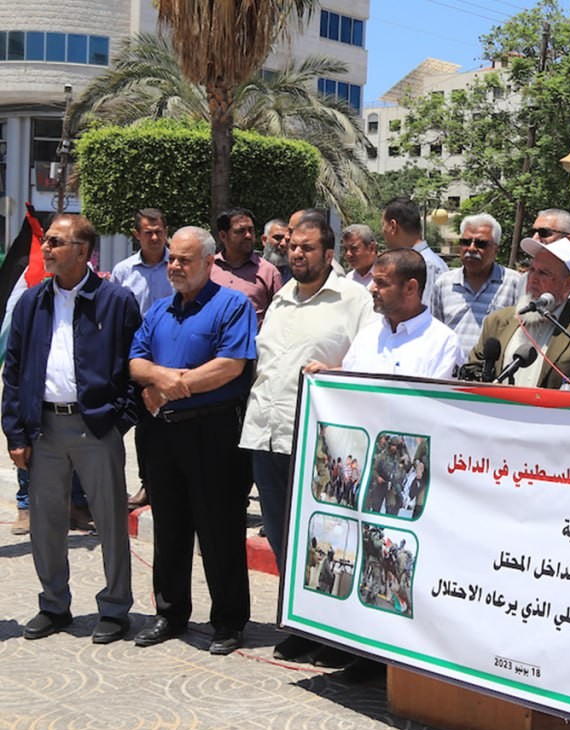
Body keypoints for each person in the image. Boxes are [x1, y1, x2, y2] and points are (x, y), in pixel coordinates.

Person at [240, 213, 375, 663]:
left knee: (328, 539)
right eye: (293, 246)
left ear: (329, 254)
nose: (296, 253)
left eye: (307, 247)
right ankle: (301, 623)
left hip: (323, 444)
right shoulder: (281, 298)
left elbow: (369, 363)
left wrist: (337, 374)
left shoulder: (354, 300)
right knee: (283, 537)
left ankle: (335, 633)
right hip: (268, 434)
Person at [2, 214, 141, 644]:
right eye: (46, 241)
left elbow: (135, 366)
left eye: (55, 242)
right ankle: (54, 604)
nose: (46, 248)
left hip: (96, 428)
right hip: (43, 428)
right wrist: (15, 432)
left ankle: (115, 608)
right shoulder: (32, 302)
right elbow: (14, 371)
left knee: (110, 521)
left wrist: (118, 421)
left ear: (82, 251)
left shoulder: (116, 301)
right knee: (45, 523)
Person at [130, 226, 257, 656]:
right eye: (172, 259)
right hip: (163, 433)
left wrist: (168, 387)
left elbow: (231, 365)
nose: (175, 266)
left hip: (213, 431)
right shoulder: (160, 310)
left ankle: (229, 621)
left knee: (219, 528)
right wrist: (160, 378)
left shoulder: (232, 305)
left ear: (208, 262)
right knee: (169, 527)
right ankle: (170, 613)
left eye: (184, 260)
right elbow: (136, 362)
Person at [464, 237, 570, 391]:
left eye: (544, 273)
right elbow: (473, 371)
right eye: (532, 270)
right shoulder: (497, 321)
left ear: (568, 284)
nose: (533, 279)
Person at [109, 207, 171, 512]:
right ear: (137, 235)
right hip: (136, 360)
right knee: (143, 425)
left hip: (173, 359)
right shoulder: (123, 271)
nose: (155, 237)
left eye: (159, 231)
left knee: (171, 426)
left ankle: (169, 483)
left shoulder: (178, 265)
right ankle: (147, 482)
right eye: (148, 232)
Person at [341, 248, 463, 378]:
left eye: (381, 282)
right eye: (374, 281)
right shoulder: (366, 336)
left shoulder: (444, 343)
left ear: (410, 288)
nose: (373, 289)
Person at [427, 212, 520, 354]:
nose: (471, 248)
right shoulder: (444, 283)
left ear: (496, 250)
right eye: (465, 242)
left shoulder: (513, 283)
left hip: (493, 367)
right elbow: (435, 332)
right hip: (451, 367)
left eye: (480, 243)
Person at [211, 207, 283, 323]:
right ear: (223, 236)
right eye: (240, 231)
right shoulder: (208, 269)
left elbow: (280, 316)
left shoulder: (268, 272)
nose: (248, 236)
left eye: (251, 230)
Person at [381, 197, 447, 284]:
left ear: (393, 227)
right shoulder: (424, 263)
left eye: (383, 224)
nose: (382, 231)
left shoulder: (427, 266)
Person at [340, 223, 379, 287]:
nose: (348, 254)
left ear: (371, 248)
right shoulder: (348, 279)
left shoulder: (388, 276)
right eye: (345, 249)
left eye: (353, 248)